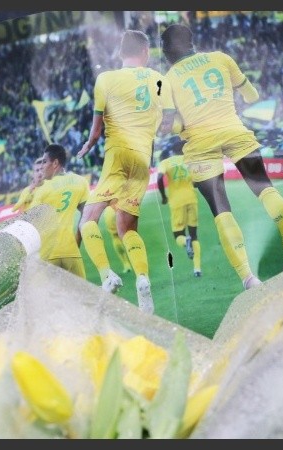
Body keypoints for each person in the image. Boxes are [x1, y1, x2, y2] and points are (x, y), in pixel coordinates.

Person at [158, 23, 283, 290]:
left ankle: (248, 278)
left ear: (167, 52)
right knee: (265, 188)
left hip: (199, 145)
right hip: (234, 130)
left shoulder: (168, 79)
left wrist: (176, 123)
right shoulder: (221, 58)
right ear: (191, 42)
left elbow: (170, 126)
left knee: (221, 210)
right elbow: (252, 95)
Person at [77, 29, 175, 315]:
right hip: (143, 157)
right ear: (145, 52)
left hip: (117, 153)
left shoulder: (105, 79)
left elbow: (96, 131)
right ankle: (143, 280)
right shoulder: (159, 79)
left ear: (121, 53)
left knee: (88, 220)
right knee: (127, 228)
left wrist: (87, 145)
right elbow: (167, 123)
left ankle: (108, 275)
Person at [28, 144, 90, 277]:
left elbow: (30, 224)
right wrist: (77, 240)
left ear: (55, 163)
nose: (42, 167)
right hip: (71, 252)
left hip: (48, 254)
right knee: (82, 295)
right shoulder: (80, 181)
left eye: (45, 162)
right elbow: (87, 216)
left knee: (49, 296)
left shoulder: (43, 189)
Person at [156, 139, 202, 277]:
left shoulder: (166, 162)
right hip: (191, 199)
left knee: (178, 235)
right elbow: (196, 182)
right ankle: (197, 269)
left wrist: (163, 196)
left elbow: (159, 178)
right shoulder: (188, 160)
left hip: (176, 202)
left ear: (172, 150)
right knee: (194, 235)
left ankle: (184, 241)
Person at [102, 204, 133, 274]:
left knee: (115, 236)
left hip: (111, 210)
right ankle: (136, 260)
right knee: (130, 233)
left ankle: (126, 264)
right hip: (125, 206)